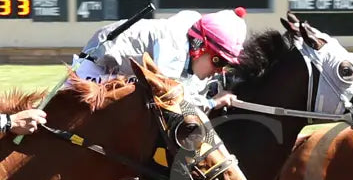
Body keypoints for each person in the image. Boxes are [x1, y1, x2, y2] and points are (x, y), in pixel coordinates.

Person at [72, 7, 249, 111]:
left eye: (226, 64)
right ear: (199, 46)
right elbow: (171, 99)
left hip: (121, 71)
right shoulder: (173, 46)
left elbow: (190, 89)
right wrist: (212, 102)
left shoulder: (188, 44)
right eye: (219, 61)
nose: (219, 70)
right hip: (97, 67)